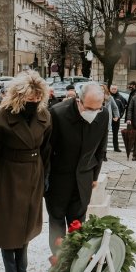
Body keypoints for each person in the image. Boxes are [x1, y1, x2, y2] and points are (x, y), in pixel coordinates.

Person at [0, 71, 51, 272]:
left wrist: (46, 175)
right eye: (30, 98)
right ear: (19, 96)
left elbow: (47, 149)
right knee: (9, 227)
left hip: (34, 172)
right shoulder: (0, 119)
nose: (34, 102)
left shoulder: (44, 116)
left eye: (37, 98)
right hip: (9, 175)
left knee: (27, 225)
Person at [46, 82, 108, 254]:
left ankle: (76, 260)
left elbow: (101, 148)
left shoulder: (103, 115)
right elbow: (48, 150)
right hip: (59, 179)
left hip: (84, 178)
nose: (93, 113)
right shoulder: (58, 113)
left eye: (97, 109)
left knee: (78, 222)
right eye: (89, 108)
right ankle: (58, 261)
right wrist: (45, 179)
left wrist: (95, 176)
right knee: (57, 221)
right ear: (78, 101)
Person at [102, 85, 119, 161]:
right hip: (95, 121)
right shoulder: (94, 98)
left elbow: (115, 108)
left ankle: (104, 154)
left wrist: (116, 116)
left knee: (104, 139)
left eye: (102, 89)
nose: (101, 91)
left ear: (105, 90)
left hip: (106, 121)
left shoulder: (109, 98)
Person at [109, 84, 127, 152]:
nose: (114, 90)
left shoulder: (120, 97)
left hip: (116, 119)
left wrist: (119, 116)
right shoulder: (107, 96)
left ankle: (116, 148)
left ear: (117, 89)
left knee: (115, 133)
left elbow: (123, 108)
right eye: (112, 89)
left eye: (115, 89)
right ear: (110, 89)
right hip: (107, 118)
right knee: (104, 134)